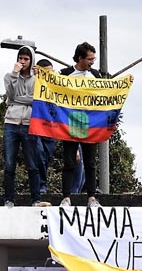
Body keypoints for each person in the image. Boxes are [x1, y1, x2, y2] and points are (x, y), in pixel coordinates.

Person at [59, 42, 104, 208]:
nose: (92, 62)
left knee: (90, 162)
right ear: (80, 58)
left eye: (94, 59)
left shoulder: (96, 75)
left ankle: (91, 197)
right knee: (69, 161)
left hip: (90, 123)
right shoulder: (65, 74)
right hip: (70, 122)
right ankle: (66, 197)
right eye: (90, 59)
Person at [2, 46, 47, 207]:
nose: (22, 62)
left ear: (31, 60)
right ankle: (9, 199)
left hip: (29, 123)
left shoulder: (37, 79)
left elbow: (36, 99)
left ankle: (36, 199)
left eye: (26, 59)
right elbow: (11, 96)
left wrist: (20, 99)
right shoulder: (9, 76)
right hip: (11, 123)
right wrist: (15, 75)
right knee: (9, 164)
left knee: (32, 163)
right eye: (20, 58)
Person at [32, 59, 58, 196]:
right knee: (39, 154)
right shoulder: (33, 82)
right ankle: (41, 184)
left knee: (47, 156)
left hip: (50, 125)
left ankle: (41, 182)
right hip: (36, 124)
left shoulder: (55, 86)